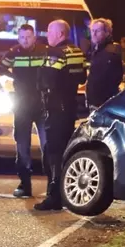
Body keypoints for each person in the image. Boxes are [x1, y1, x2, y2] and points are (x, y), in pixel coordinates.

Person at [35, 19, 87, 211]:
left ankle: (54, 196)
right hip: (70, 107)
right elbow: (82, 77)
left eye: (49, 31)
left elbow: (46, 82)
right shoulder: (78, 53)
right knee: (65, 151)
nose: (47, 35)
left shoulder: (55, 53)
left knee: (53, 153)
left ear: (60, 34)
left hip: (56, 108)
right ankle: (64, 193)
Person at [0, 23, 48, 198]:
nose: (25, 40)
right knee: (22, 146)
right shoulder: (14, 53)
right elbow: (0, 67)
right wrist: (14, 76)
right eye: (22, 37)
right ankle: (25, 184)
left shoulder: (44, 51)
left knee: (47, 146)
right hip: (22, 104)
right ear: (18, 38)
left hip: (41, 104)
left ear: (34, 37)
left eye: (28, 37)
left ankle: (53, 185)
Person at [84, 18, 123, 108]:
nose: (93, 34)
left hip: (102, 102)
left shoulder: (110, 51)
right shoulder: (98, 49)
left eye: (97, 31)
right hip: (96, 101)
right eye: (92, 30)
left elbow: (112, 78)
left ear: (107, 33)